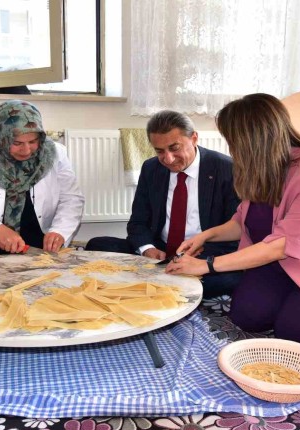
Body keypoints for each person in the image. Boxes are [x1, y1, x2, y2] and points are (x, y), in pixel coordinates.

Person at [166, 93, 300, 350]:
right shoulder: (261, 169)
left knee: (297, 333)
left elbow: (281, 245)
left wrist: (207, 265)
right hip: (277, 267)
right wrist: (205, 236)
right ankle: (291, 301)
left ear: (251, 140)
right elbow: (242, 222)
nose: (231, 148)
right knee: (246, 317)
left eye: (232, 140)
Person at [86, 110, 241, 298]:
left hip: (202, 254)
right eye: (160, 151)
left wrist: (197, 260)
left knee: (232, 278)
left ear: (193, 138)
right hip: (161, 251)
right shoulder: (151, 168)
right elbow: (138, 222)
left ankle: (157, 285)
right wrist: (147, 248)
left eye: (175, 148)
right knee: (97, 246)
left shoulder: (226, 168)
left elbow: (235, 233)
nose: (168, 159)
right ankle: (168, 285)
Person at [0, 100, 84, 257]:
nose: (26, 150)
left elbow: (72, 198)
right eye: (17, 143)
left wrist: (59, 231)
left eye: (33, 141)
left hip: (40, 243)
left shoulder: (53, 152)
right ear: (1, 137)